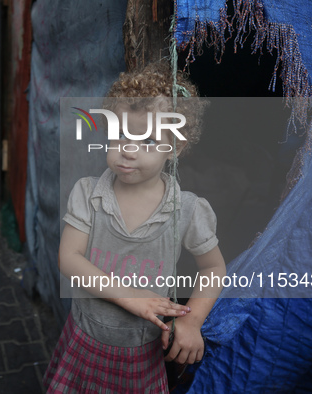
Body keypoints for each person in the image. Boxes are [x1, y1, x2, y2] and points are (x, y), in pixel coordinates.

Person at [43, 62, 226, 393]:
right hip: (85, 338)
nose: (128, 149)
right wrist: (130, 296)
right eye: (122, 134)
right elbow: (69, 258)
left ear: (175, 148)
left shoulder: (188, 210)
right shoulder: (88, 193)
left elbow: (213, 268)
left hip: (141, 354)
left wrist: (192, 320)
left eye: (148, 140)